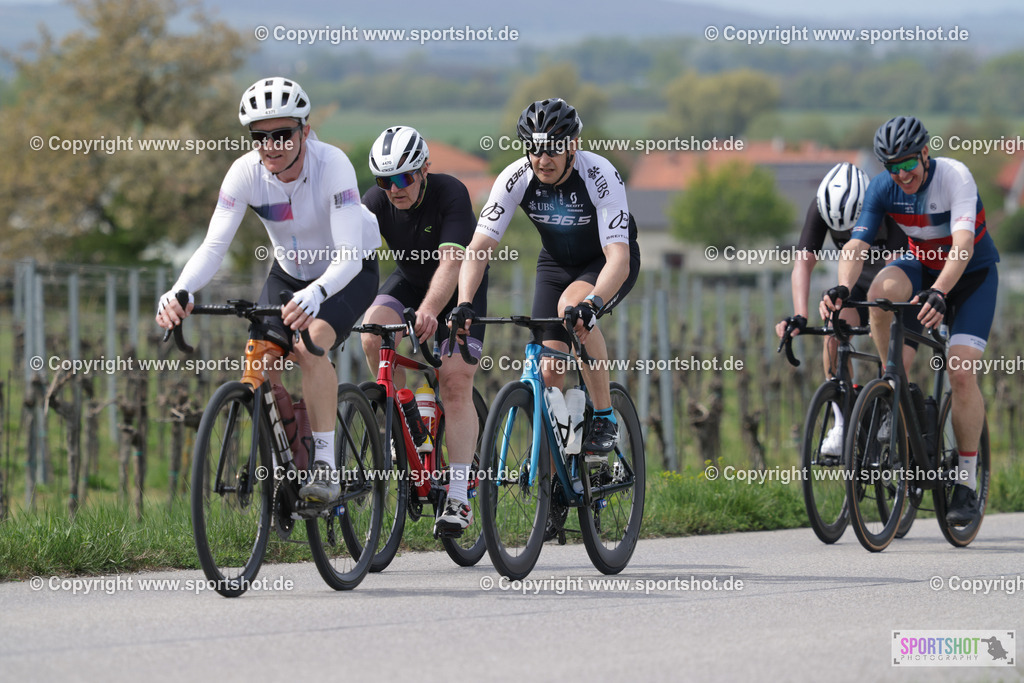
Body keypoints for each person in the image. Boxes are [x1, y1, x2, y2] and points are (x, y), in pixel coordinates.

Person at [156, 76, 381, 503]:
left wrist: (317, 294)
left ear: (304, 132)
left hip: (348, 272)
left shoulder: (332, 165)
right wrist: (181, 288)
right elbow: (214, 246)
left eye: (282, 134)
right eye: (260, 137)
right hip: (288, 273)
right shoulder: (245, 173)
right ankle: (293, 448)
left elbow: (350, 255)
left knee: (310, 345)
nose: (271, 145)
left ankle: (326, 466)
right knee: (260, 358)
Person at [821, 115, 1000, 525]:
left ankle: (967, 484)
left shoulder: (956, 177)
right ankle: (893, 381)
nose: (901, 175)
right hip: (921, 264)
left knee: (959, 373)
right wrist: (844, 288)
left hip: (970, 275)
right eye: (891, 167)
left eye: (907, 165)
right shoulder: (884, 187)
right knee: (879, 292)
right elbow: (856, 245)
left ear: (925, 153)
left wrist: (940, 291)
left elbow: (963, 246)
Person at [451, 98, 641, 459]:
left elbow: (619, 257)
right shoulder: (515, 177)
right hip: (555, 265)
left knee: (575, 311)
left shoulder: (600, 174)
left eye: (553, 149)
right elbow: (478, 248)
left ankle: (603, 417)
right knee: (549, 369)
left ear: (573, 146)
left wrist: (593, 303)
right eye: (534, 149)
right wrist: (463, 303)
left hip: (605, 263)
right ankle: (555, 486)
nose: (543, 159)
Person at [360, 125, 487, 535]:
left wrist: (432, 310)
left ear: (425, 170)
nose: (393, 189)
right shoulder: (376, 201)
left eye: (403, 178)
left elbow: (452, 262)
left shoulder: (450, 193)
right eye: (384, 180)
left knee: (453, 381)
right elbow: (351, 256)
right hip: (410, 280)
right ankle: (406, 424)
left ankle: (458, 493)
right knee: (371, 333)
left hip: (459, 289)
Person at [776, 162, 915, 456]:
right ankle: (842, 422)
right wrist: (800, 315)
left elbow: (895, 267)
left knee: (892, 355)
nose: (850, 233)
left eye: (855, 226)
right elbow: (803, 263)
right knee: (834, 329)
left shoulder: (887, 203)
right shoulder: (821, 207)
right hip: (857, 283)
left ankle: (893, 409)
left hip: (898, 282)